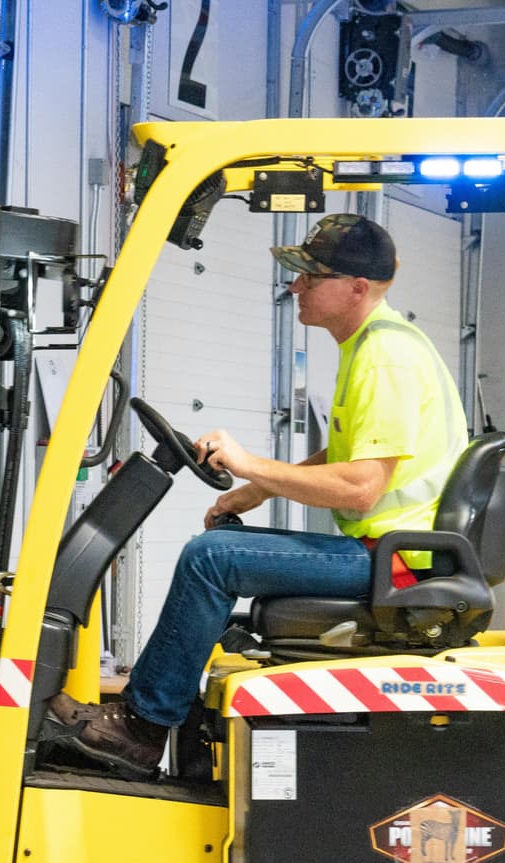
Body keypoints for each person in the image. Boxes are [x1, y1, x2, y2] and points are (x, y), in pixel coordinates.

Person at [53, 212, 467, 778]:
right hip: (391, 552)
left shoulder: (385, 356)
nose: (294, 286)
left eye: (309, 276)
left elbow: (362, 486)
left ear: (356, 288)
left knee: (210, 558)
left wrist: (249, 461)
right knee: (221, 545)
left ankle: (144, 728)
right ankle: (158, 710)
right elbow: (351, 452)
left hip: (396, 563)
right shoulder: (373, 344)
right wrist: (252, 489)